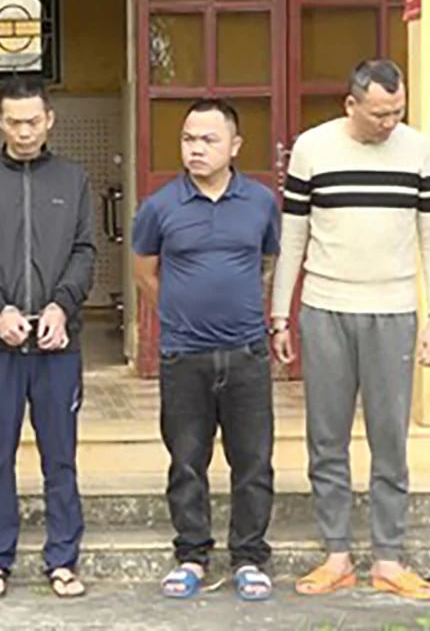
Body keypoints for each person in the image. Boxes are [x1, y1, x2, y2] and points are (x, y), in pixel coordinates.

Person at [271, 59, 430, 601]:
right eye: (379, 114)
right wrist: (280, 315)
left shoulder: (420, 150)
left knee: (389, 438)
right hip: (325, 308)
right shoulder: (311, 149)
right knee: (326, 437)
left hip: (393, 311)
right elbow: (293, 237)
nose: (390, 123)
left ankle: (389, 559)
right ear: (351, 104)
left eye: (398, 112)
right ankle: (337, 555)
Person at [0, 75, 96, 599]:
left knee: (61, 456)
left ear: (50, 119)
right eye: (14, 122)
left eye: (33, 121)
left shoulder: (73, 180)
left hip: (58, 343)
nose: (25, 131)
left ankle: (63, 560)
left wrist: (61, 307)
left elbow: (85, 251)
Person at [131, 99, 279, 602]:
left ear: (235, 146)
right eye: (188, 139)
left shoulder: (260, 202)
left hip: (246, 353)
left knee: (253, 461)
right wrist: (179, 313)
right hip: (184, 354)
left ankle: (249, 558)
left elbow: (267, 263)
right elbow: (145, 272)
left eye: (208, 140)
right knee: (187, 460)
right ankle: (191, 555)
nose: (196, 148)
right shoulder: (160, 206)